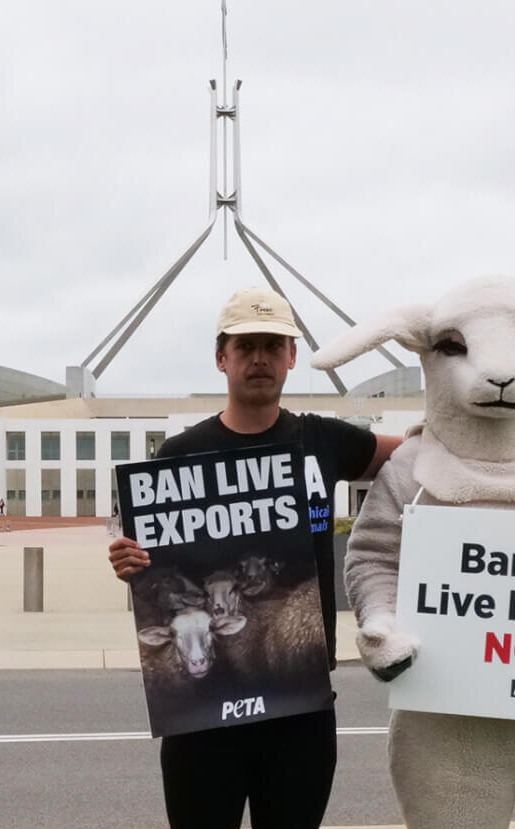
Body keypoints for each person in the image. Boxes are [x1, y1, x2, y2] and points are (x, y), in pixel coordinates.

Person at [108, 285, 401, 829]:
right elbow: (149, 563)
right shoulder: (179, 456)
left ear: (292, 357)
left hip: (299, 702)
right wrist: (128, 561)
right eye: (246, 347)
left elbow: (416, 455)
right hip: (203, 712)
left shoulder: (324, 440)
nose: (260, 358)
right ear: (222, 358)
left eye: (273, 345)